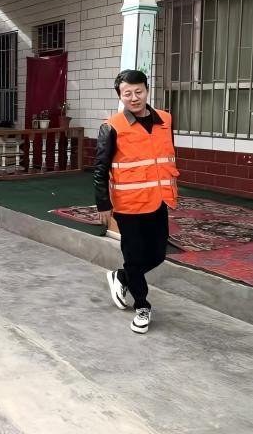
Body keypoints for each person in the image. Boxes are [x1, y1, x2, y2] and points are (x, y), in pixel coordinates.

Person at [94, 70, 178, 334]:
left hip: (158, 199)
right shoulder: (112, 126)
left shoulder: (165, 119)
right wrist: (103, 204)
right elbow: (100, 169)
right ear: (120, 96)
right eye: (127, 93)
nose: (134, 97)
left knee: (157, 254)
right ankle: (142, 306)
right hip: (128, 204)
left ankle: (121, 276)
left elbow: (167, 155)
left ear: (147, 90)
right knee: (134, 255)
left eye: (138, 91)